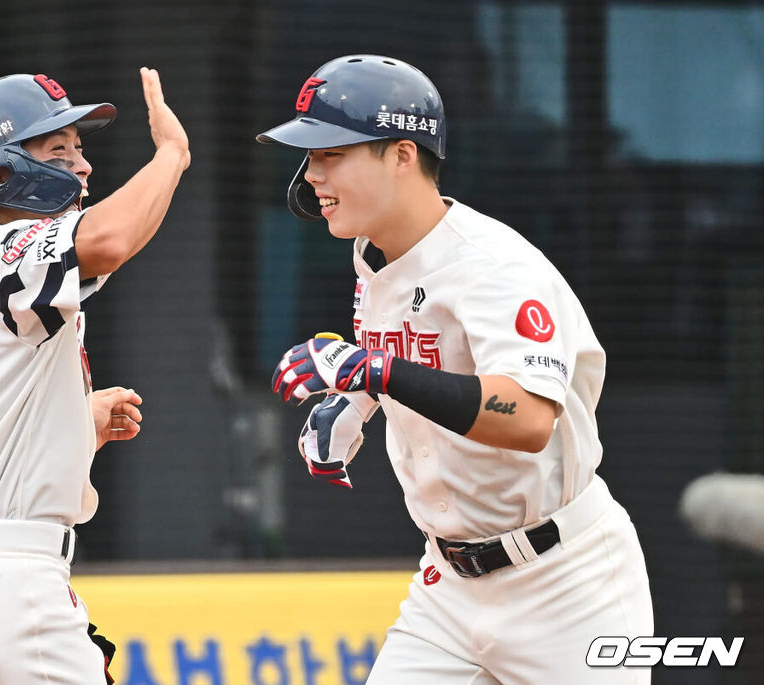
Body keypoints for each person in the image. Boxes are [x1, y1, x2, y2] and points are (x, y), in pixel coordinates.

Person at [258, 55, 653, 684]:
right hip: (448, 585)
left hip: (566, 581)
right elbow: (407, 355)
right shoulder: (375, 251)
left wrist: (375, 371)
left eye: (330, 154)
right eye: (309, 158)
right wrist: (357, 400)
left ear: (402, 155)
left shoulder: (493, 266)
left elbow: (527, 419)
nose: (312, 177)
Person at [0, 68, 190, 684]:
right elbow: (110, 238)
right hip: (2, 584)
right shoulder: (2, 252)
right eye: (58, 150)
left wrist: (73, 424)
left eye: (80, 149)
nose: (81, 166)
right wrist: (171, 156)